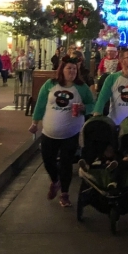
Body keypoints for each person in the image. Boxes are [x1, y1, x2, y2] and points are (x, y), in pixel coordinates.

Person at [30, 56, 95, 208]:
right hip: (49, 132)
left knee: (66, 164)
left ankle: (64, 194)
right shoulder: (50, 84)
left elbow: (93, 103)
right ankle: (55, 181)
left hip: (70, 133)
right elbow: (40, 104)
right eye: (69, 68)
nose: (72, 71)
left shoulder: (81, 87)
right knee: (48, 161)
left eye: (74, 69)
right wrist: (34, 122)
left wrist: (85, 108)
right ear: (62, 70)